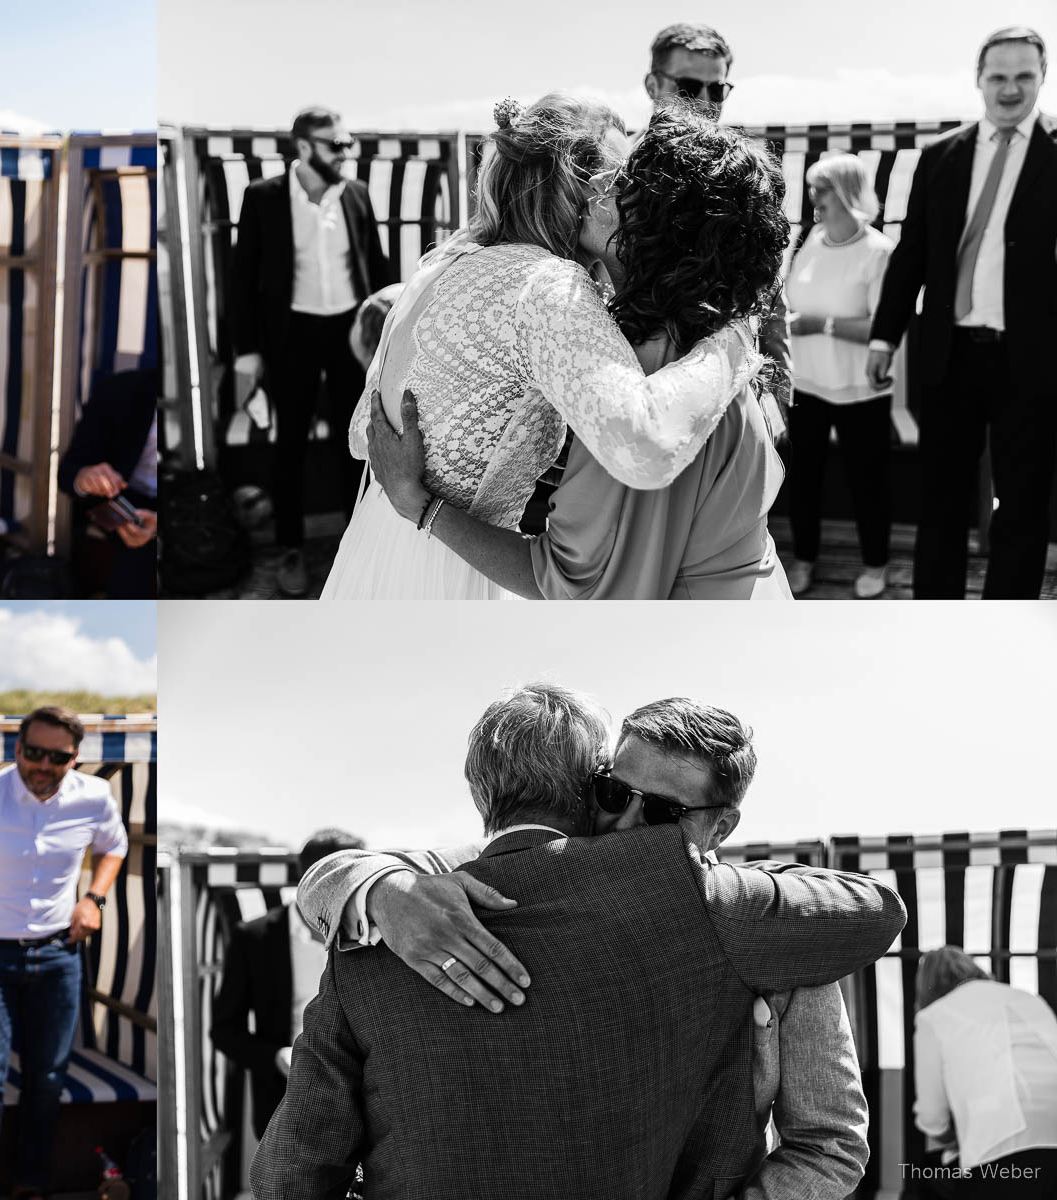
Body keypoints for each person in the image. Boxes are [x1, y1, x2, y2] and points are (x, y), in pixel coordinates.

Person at [250, 684, 905, 1200]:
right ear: (589, 787)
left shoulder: (758, 919)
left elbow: (288, 1178)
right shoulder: (409, 903)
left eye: (657, 811)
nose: (623, 820)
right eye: (614, 792)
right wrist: (372, 884)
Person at [321, 93, 765, 601]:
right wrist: (733, 338)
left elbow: (365, 435)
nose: (619, 189)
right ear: (576, 190)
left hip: (377, 546)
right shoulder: (546, 285)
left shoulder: (447, 264)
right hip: (453, 571)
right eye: (621, 176)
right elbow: (641, 447)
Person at [868, 27, 1057, 599]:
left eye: (1023, 75)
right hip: (949, 356)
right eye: (998, 75)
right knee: (941, 503)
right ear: (979, 79)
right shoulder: (941, 155)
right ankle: (934, 617)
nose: (1010, 88)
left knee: (1023, 506)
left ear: (1042, 78)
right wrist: (883, 337)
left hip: (1033, 362)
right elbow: (913, 253)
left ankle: (1005, 621)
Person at [0, 706, 130, 1200]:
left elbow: (114, 847)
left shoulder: (95, 796)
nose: (43, 765)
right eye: (34, 753)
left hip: (59, 955)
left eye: (58, 757)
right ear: (17, 750)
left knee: (49, 1078)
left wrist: (94, 899)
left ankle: (30, 1186)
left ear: (75, 758)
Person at [231, 106, 397, 596]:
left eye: (348, 144)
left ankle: (357, 545)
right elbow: (241, 281)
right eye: (336, 145)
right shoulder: (261, 198)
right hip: (292, 334)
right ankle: (290, 549)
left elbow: (379, 269)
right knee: (290, 447)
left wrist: (385, 337)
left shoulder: (359, 195)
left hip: (350, 333)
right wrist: (247, 353)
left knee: (360, 440)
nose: (346, 153)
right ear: (303, 147)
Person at [642, 22, 795, 409]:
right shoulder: (616, 169)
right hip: (636, 386)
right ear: (652, 85)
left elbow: (768, 291)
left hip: (728, 386)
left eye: (718, 89)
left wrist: (777, 397)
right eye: (690, 88)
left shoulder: (748, 173)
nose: (706, 101)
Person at [783, 154, 898, 599]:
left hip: (859, 391)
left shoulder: (879, 252)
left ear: (849, 193)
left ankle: (877, 564)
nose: (813, 199)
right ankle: (804, 559)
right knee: (805, 479)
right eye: (811, 189)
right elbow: (792, 301)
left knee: (867, 482)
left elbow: (883, 328)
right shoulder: (810, 239)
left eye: (822, 190)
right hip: (807, 385)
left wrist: (820, 325)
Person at [209, 830, 365, 1145]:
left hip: (365, 1098)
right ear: (315, 879)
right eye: (353, 877)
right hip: (285, 1102)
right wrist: (276, 1057)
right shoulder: (253, 938)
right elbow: (224, 1031)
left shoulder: (374, 936)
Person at [913, 947, 1057, 1195]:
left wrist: (956, 1136)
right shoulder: (1030, 999)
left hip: (1000, 1154)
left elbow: (933, 1118)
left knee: (930, 1174)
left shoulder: (933, 1017)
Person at [57, 367, 160, 598]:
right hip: (124, 496)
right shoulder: (123, 390)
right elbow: (68, 472)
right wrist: (86, 477)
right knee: (137, 546)